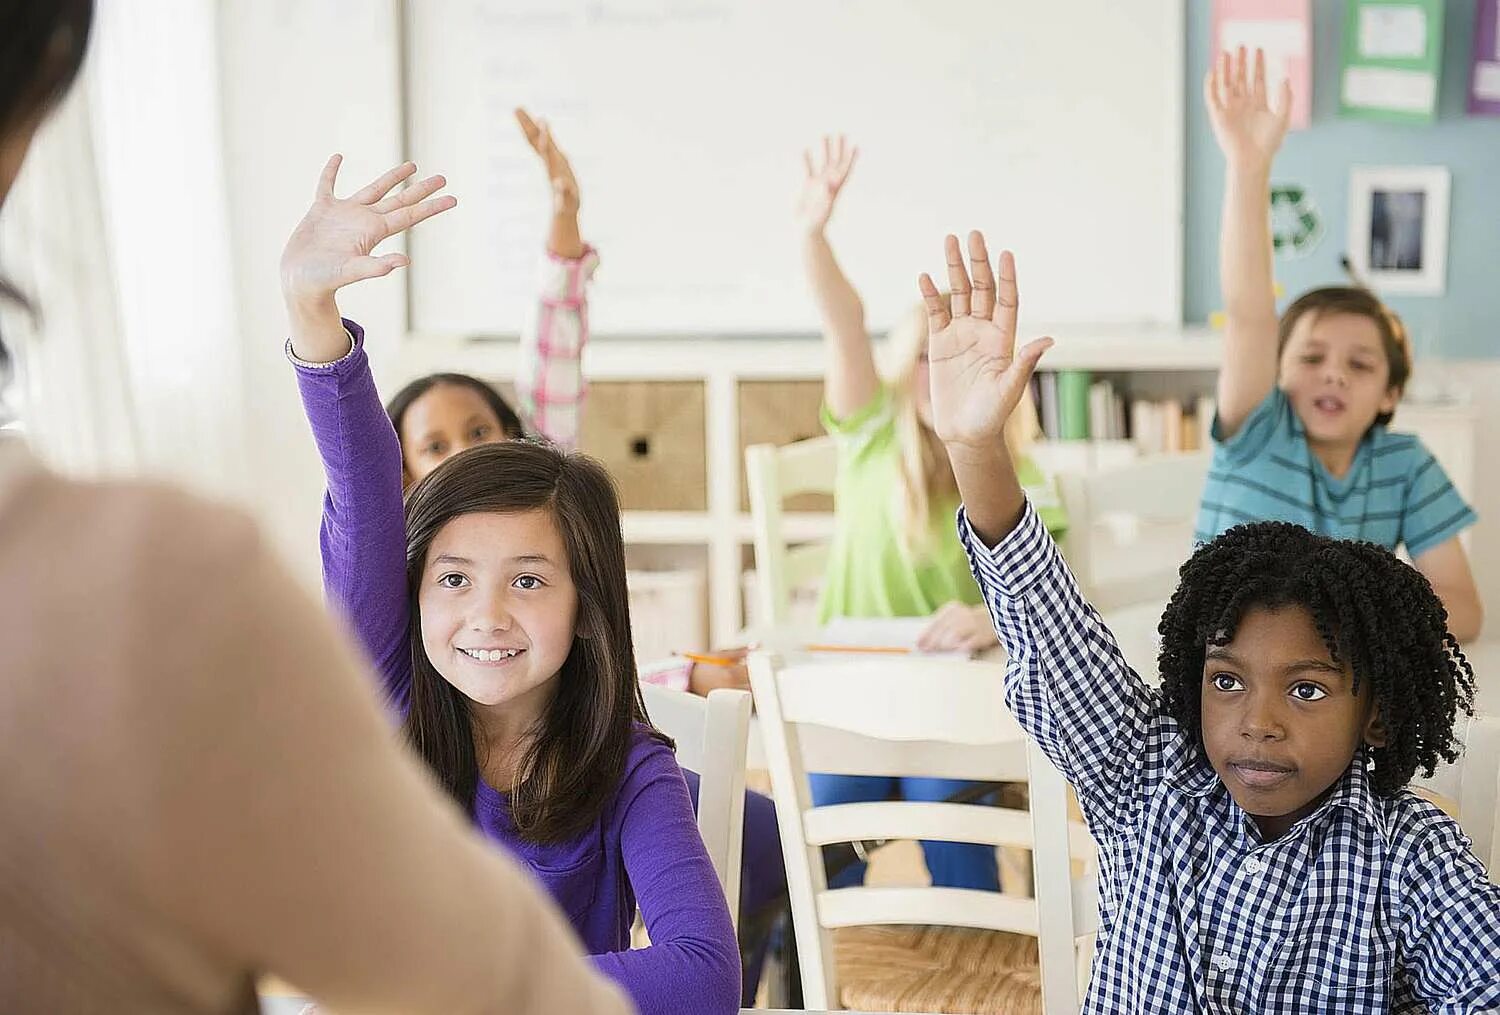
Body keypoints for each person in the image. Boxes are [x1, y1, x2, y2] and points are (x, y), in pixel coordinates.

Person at [0, 3, 629, 1011]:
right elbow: (367, 489)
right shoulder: (362, 612)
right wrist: (314, 319)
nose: (469, 463)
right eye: (430, 448)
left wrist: (562, 240)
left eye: (484, 440)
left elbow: (546, 407)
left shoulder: (610, 733)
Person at [924, 227, 1499, 1011]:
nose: (1256, 721)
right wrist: (976, 448)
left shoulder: (1410, 857)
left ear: (1376, 715)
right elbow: (1046, 623)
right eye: (1226, 680)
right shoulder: (1146, 776)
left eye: (1306, 690)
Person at [281, 156, 740, 1014]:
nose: (485, 613)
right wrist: (313, 312)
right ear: (412, 592)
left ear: (588, 610)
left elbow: (704, 974)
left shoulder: (630, 767)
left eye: (529, 580)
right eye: (453, 578)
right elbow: (367, 489)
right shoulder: (392, 689)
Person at [796, 135, 1066, 891]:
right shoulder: (872, 426)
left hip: (956, 709)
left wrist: (993, 619)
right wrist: (812, 233)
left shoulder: (1023, 473)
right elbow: (843, 320)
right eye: (923, 354)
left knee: (955, 827)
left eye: (956, 353)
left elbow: (1053, 590)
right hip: (855, 699)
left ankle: (975, 974)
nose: (937, 372)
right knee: (826, 833)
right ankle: (812, 961)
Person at [1200, 46, 1481, 641]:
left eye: (1360, 364)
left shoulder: (1406, 465)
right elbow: (1250, 310)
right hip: (1224, 665)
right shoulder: (1258, 427)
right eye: (1310, 357)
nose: (1334, 375)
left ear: (1389, 393)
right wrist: (1249, 166)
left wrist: (1357, 620)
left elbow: (1465, 609)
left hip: (1332, 677)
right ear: (1277, 370)